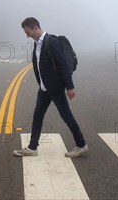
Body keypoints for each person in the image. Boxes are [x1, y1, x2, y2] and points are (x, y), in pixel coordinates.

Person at [13, 17, 88, 158]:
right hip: (44, 88)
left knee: (66, 116)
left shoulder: (52, 41)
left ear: (35, 28)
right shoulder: (37, 44)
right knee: (37, 115)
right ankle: (32, 148)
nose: (27, 35)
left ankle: (81, 145)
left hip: (55, 88)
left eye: (28, 32)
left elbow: (64, 64)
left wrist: (69, 87)